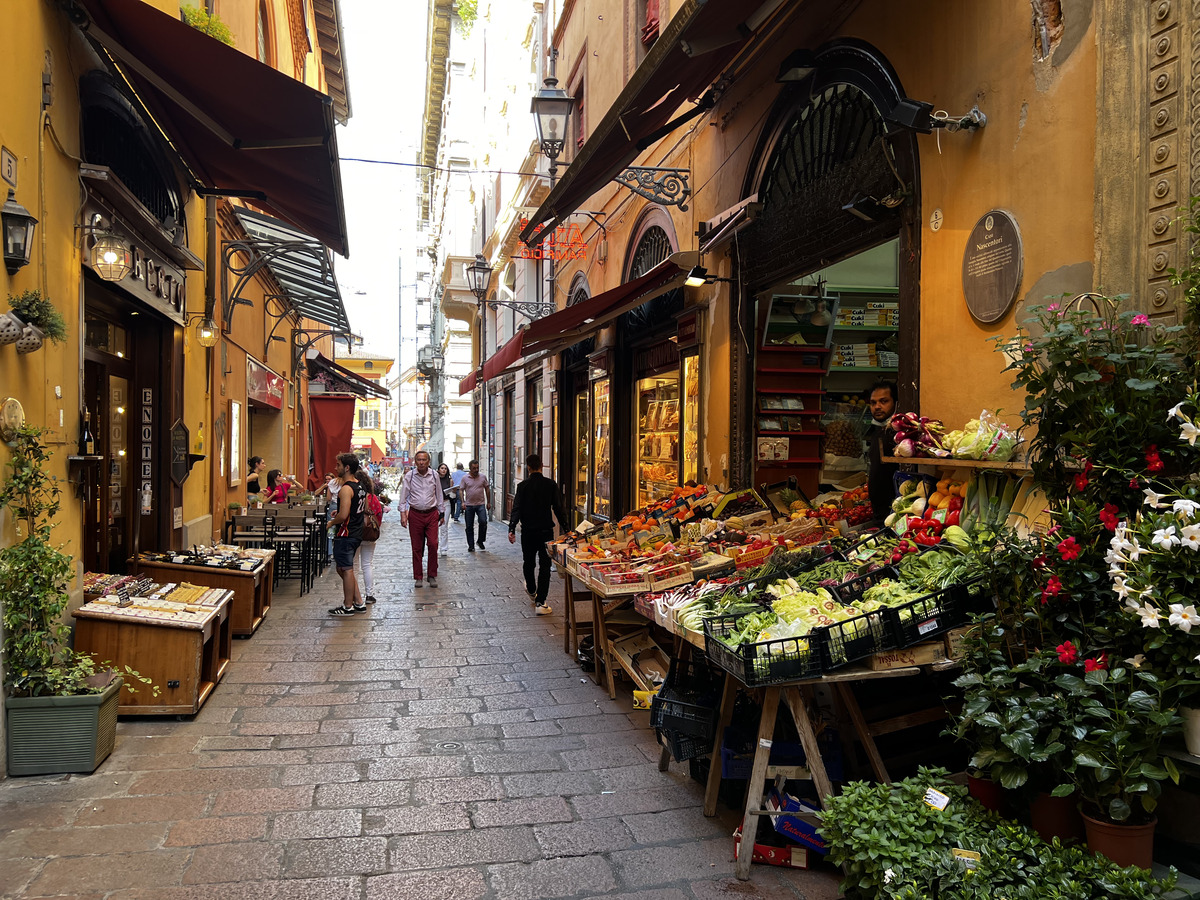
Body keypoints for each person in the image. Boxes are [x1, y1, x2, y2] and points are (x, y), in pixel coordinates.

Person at [508, 453, 568, 615]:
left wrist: (512, 528)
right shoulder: (550, 485)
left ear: (528, 467)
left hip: (527, 532)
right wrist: (567, 528)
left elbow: (517, 509)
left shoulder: (522, 487)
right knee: (545, 566)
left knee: (528, 562)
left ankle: (532, 589)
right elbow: (558, 509)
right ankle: (541, 602)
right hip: (545, 532)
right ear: (541, 465)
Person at [328, 452, 368, 616]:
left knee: (346, 569)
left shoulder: (346, 488)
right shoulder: (360, 486)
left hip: (346, 532)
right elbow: (358, 509)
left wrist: (332, 522)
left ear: (347, 467)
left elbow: (343, 516)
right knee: (344, 568)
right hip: (357, 531)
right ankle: (358, 601)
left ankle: (348, 605)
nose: (335, 468)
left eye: (338, 465)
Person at [399, 450, 446, 587]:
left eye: (424, 460)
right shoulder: (410, 476)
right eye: (419, 460)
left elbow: (439, 494)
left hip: (431, 514)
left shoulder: (434, 475)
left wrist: (441, 512)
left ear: (428, 462)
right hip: (415, 514)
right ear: (415, 461)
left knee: (433, 544)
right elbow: (403, 496)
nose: (421, 462)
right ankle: (418, 576)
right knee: (417, 547)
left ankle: (432, 574)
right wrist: (403, 514)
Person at [865, 380, 900, 521]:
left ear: (896, 402)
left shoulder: (898, 434)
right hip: (880, 512)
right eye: (873, 403)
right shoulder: (878, 431)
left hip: (893, 510)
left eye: (883, 401)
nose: (877, 407)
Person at [354, 470, 383, 604]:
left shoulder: (353, 495)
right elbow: (379, 515)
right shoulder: (373, 498)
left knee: (354, 566)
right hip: (369, 535)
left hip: (354, 533)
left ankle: (354, 595)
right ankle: (369, 594)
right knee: (367, 564)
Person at [460, 459, 492, 552]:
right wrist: (462, 502)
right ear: (470, 468)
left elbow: (487, 489)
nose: (476, 470)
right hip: (469, 505)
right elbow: (461, 490)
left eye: (477, 468)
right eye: (474, 468)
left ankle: (480, 540)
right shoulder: (465, 478)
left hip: (480, 504)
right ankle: (471, 545)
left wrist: (488, 502)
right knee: (469, 526)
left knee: (483, 522)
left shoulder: (482, 477)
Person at [437, 462, 455, 556]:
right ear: (439, 469)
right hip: (435, 504)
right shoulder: (434, 479)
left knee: (444, 525)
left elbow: (453, 495)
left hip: (446, 503)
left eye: (445, 468)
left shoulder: (450, 480)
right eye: (442, 468)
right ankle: (434, 545)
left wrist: (453, 491)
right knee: (434, 526)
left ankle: (444, 547)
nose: (443, 470)